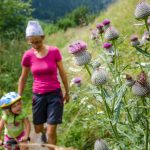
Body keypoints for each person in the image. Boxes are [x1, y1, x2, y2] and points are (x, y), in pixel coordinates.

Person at [18, 20, 70, 150]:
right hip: (38, 96)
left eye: (38, 41)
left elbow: (62, 73)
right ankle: (43, 132)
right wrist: (18, 97)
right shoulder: (27, 56)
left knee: (52, 131)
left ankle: (50, 143)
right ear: (28, 41)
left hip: (54, 94)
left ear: (43, 37)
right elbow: (23, 77)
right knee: (37, 128)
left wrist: (67, 91)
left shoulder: (54, 51)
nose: (35, 45)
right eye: (32, 42)